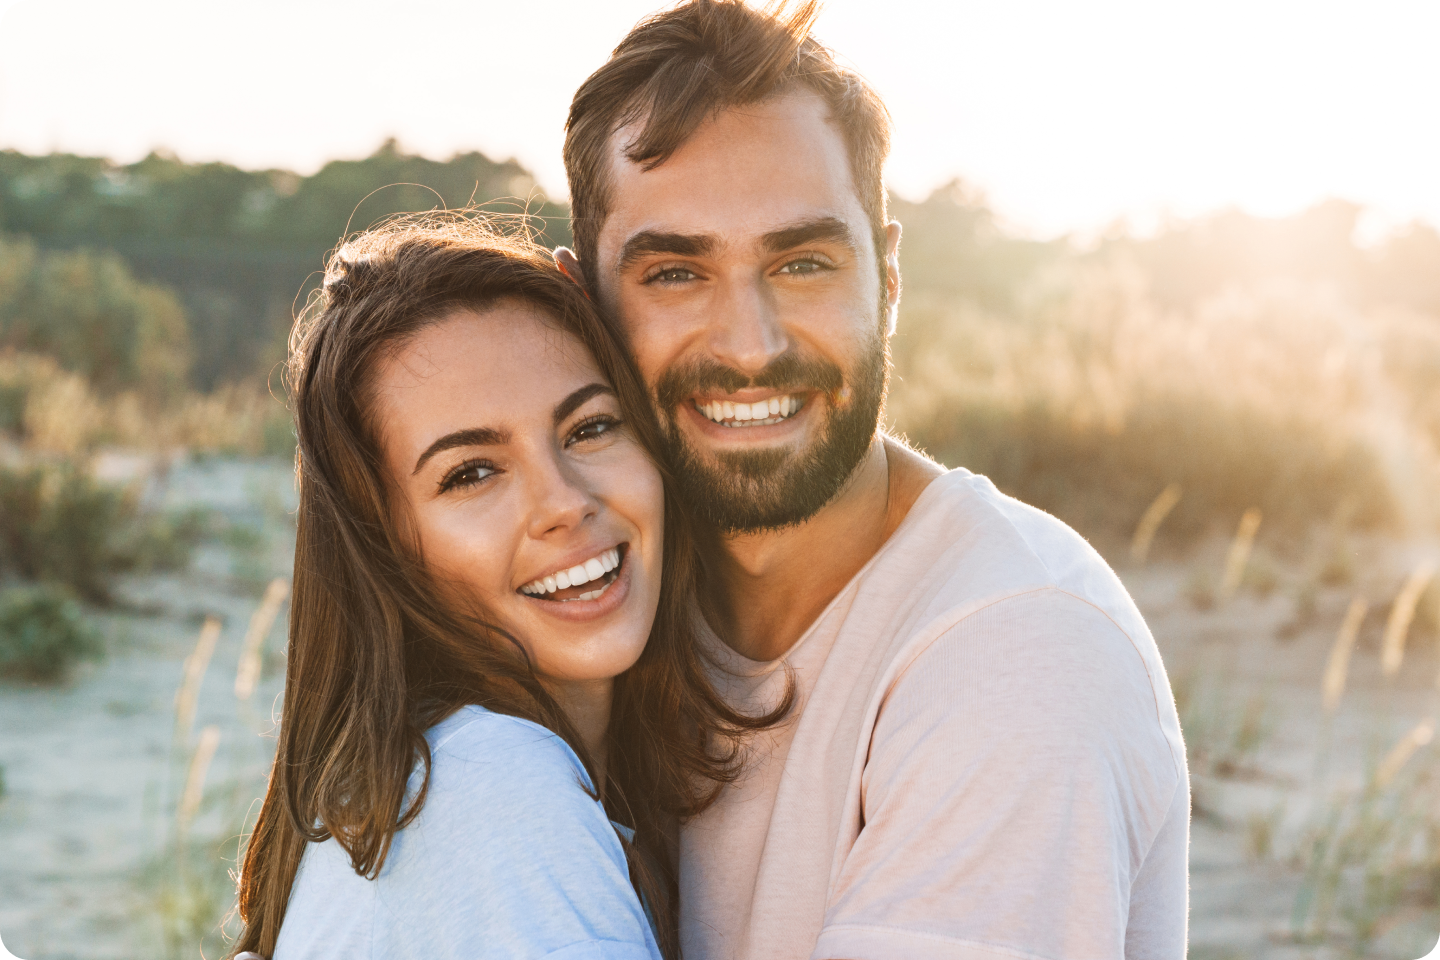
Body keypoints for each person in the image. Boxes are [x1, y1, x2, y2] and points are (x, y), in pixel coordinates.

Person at [554, 2, 1190, 958]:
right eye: (676, 274)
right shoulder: (596, 601)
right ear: (582, 307)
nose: (749, 346)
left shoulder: (1018, 657)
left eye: (802, 262)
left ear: (887, 278)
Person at [228, 216, 785, 960]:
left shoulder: (434, 779)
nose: (563, 502)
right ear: (384, 547)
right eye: (472, 473)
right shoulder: (489, 785)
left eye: (590, 428)